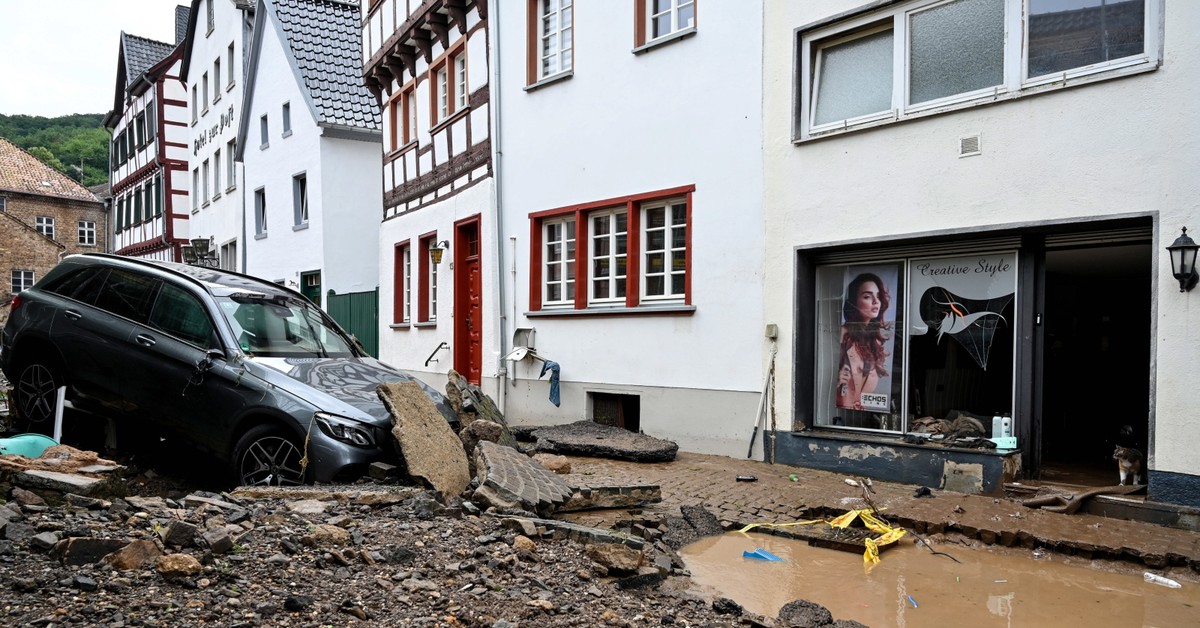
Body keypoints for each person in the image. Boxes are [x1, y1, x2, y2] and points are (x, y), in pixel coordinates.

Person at [836, 272, 892, 410]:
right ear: (854, 301)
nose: (875, 302)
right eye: (867, 296)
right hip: (837, 415)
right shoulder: (842, 335)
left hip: (858, 417)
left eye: (878, 296)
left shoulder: (873, 343)